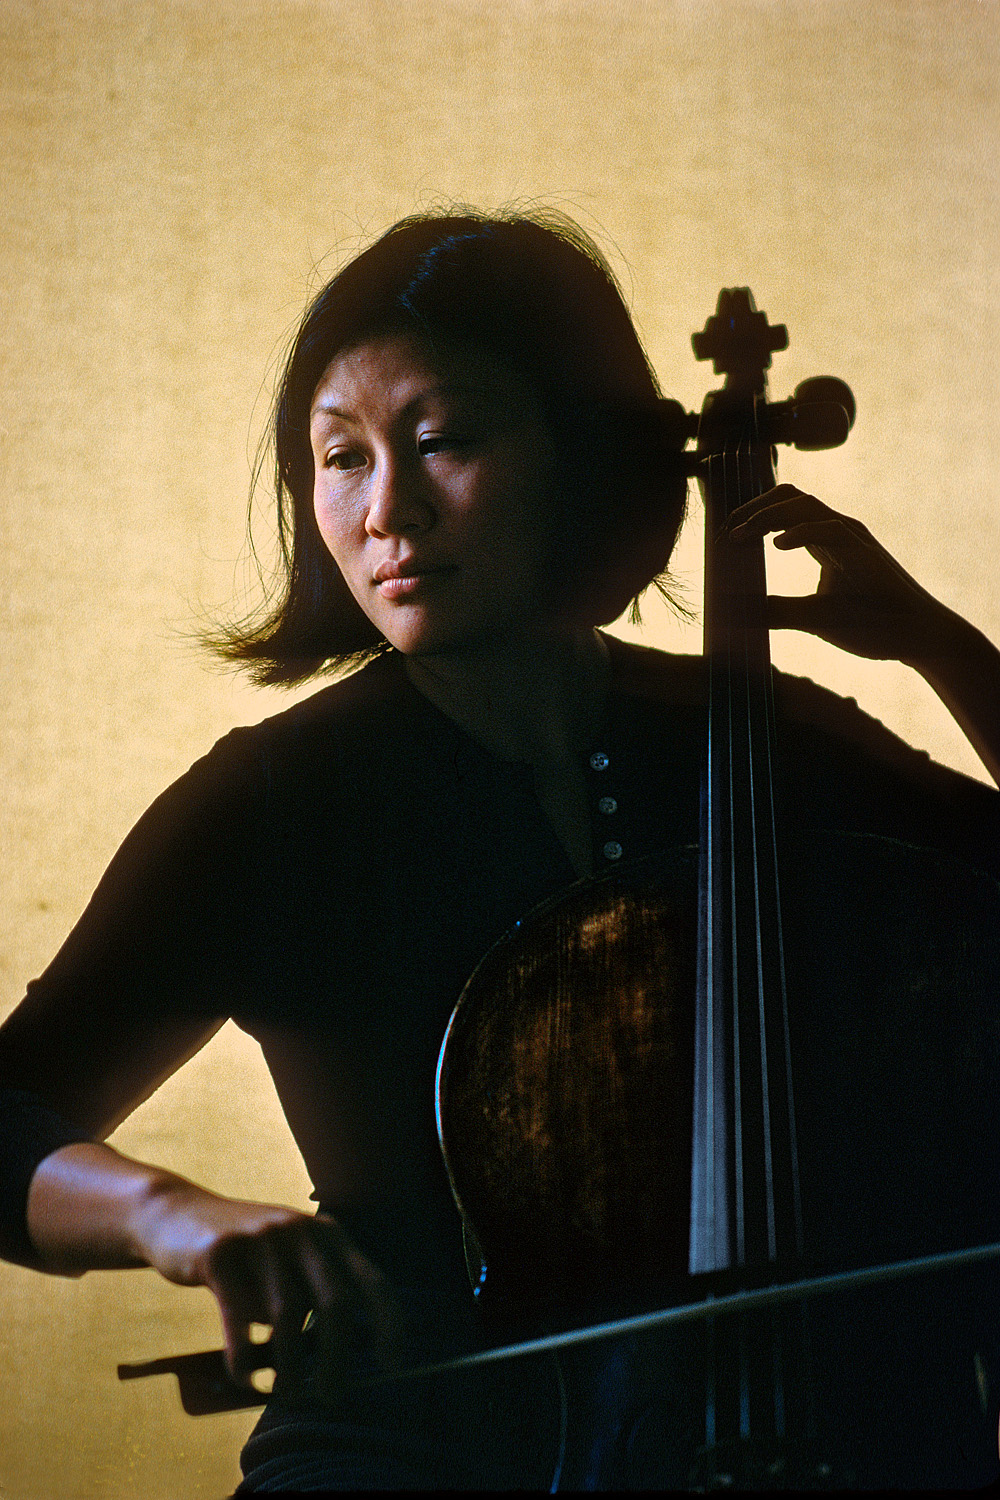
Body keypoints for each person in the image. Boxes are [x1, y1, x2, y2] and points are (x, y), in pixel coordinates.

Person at [2, 210, 1000, 1491]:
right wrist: (166, 1212)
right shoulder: (277, 800)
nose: (384, 510)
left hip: (830, 1425)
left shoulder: (761, 737)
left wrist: (935, 641)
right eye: (340, 459)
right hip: (408, 1442)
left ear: (581, 457)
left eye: (443, 442)